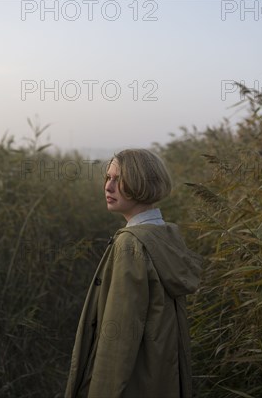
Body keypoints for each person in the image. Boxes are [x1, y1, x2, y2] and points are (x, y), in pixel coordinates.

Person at [64, 149, 203, 398]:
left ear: (142, 183)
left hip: (133, 384)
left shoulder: (130, 244)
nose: (108, 186)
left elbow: (117, 340)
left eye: (119, 179)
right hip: (161, 378)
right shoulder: (165, 234)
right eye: (108, 177)